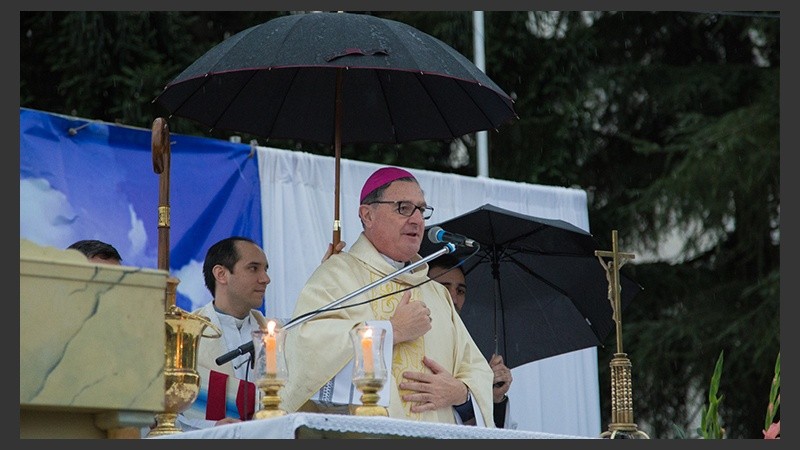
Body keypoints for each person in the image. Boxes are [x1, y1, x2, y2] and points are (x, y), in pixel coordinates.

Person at [282, 166, 495, 426]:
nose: (417, 220)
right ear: (367, 215)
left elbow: (475, 368)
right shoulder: (338, 276)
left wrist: (460, 393)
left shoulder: (435, 292)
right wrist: (390, 331)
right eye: (403, 208)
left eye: (421, 209)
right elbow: (308, 350)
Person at [178, 236, 344, 432]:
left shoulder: (277, 332)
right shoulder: (185, 336)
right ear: (221, 274)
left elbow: (315, 325)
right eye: (253, 268)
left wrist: (328, 276)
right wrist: (212, 427)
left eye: (265, 269)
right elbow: (162, 414)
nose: (266, 278)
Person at [427, 253, 517, 429]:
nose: (453, 299)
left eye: (460, 291)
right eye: (443, 289)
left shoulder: (472, 349)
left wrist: (492, 397)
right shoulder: (412, 338)